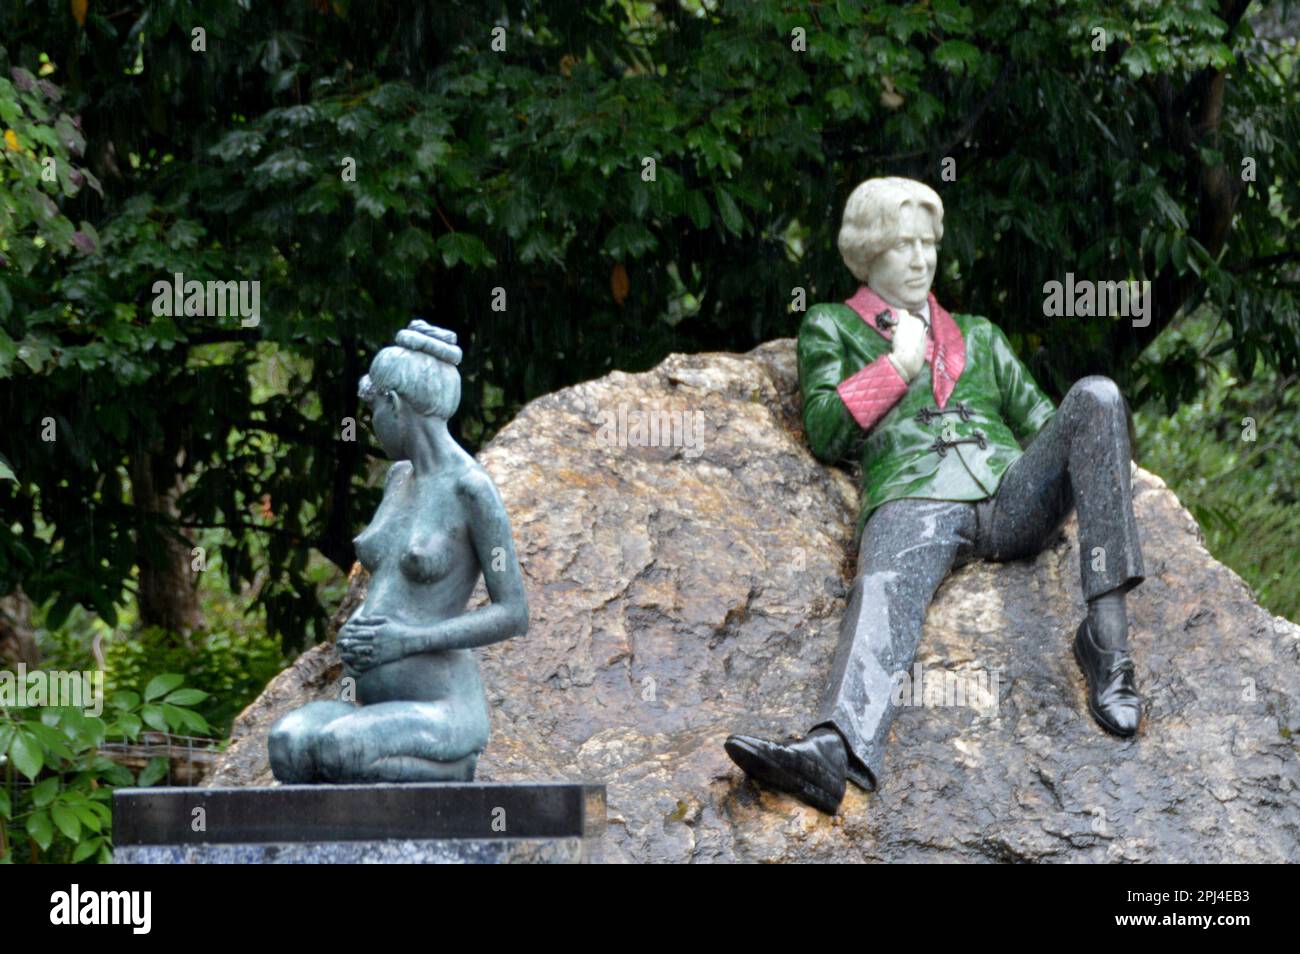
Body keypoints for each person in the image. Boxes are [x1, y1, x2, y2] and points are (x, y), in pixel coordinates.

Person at [725, 178, 1144, 814]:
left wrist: (1099, 458)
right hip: (915, 497)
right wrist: (895, 367)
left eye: (928, 245)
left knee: (1099, 397)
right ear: (868, 254)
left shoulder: (979, 333)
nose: (920, 260)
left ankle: (1107, 646)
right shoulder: (831, 325)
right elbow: (823, 430)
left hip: (1010, 494)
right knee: (885, 585)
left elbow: (1047, 423)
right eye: (901, 246)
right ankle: (834, 749)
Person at [269, 320, 529, 783]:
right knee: (287, 747)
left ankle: (451, 765)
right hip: (375, 704)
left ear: (392, 404)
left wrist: (409, 639)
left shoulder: (471, 490)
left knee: (339, 750)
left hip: (440, 705)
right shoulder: (398, 480)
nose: (371, 425)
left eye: (373, 411)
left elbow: (513, 612)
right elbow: (388, 585)